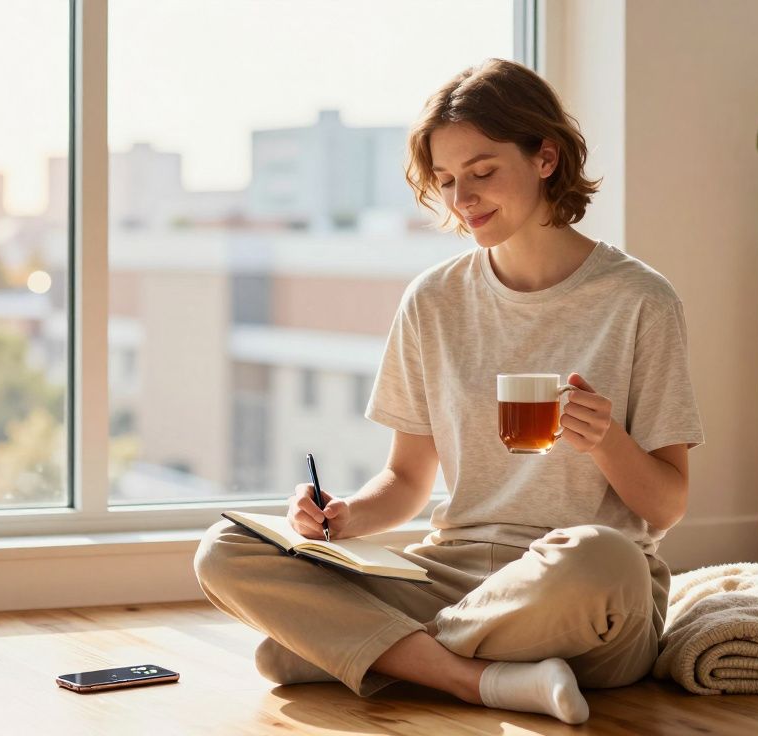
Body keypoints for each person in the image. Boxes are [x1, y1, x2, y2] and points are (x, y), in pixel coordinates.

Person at [193, 58, 704, 726]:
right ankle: (474, 680)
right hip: (452, 574)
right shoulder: (433, 300)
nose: (462, 199)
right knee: (225, 549)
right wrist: (340, 518)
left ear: (545, 157)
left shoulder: (641, 300)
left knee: (603, 558)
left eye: (483, 171)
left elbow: (665, 506)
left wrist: (607, 440)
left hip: (583, 592)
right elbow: (407, 480)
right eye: (446, 181)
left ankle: (365, 650)